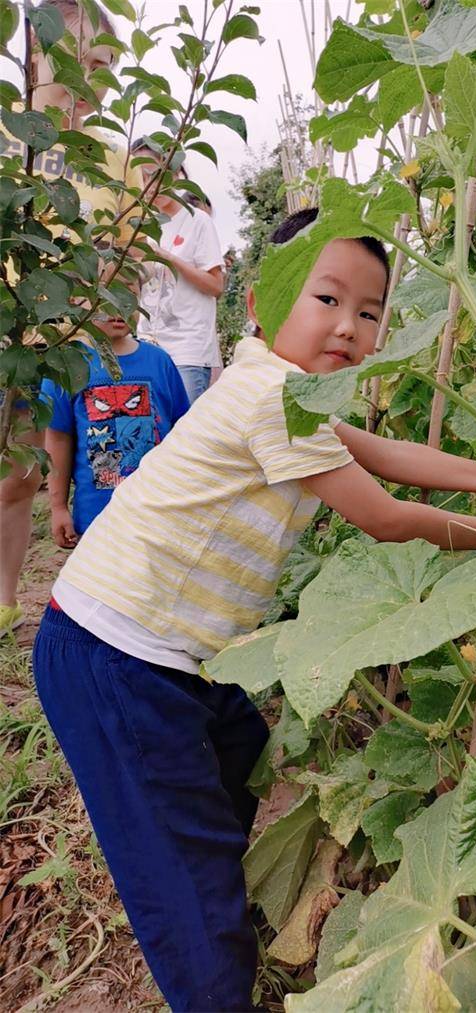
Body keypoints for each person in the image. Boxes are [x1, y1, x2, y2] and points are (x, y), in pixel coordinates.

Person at [32, 209, 476, 1012]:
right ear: (261, 306)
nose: (348, 326)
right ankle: (213, 982)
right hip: (116, 653)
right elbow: (382, 512)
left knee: (242, 758)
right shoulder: (270, 394)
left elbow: (387, 453)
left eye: (370, 310)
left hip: (163, 652)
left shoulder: (285, 391)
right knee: (187, 875)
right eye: (326, 298)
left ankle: (210, 897)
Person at [0, 0, 143, 635]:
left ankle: (40, 601)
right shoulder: (5, 134)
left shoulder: (105, 159)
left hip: (66, 349)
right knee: (14, 476)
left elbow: (120, 254)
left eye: (104, 71)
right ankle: (4, 596)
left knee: (56, 476)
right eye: (78, 64)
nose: (90, 85)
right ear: (34, 55)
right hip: (8, 334)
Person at [41, 307, 189, 548]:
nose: (117, 308)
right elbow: (58, 438)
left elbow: (182, 432)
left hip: (158, 512)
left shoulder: (159, 361)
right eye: (108, 293)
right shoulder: (66, 365)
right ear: (81, 300)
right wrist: (58, 507)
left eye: (128, 292)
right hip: (96, 518)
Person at [132, 142, 225, 403]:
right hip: (147, 345)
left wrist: (167, 258)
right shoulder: (140, 226)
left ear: (175, 174)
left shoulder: (198, 221)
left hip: (188, 351)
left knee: (184, 434)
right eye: (141, 178)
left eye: (155, 175)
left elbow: (216, 286)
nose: (150, 185)